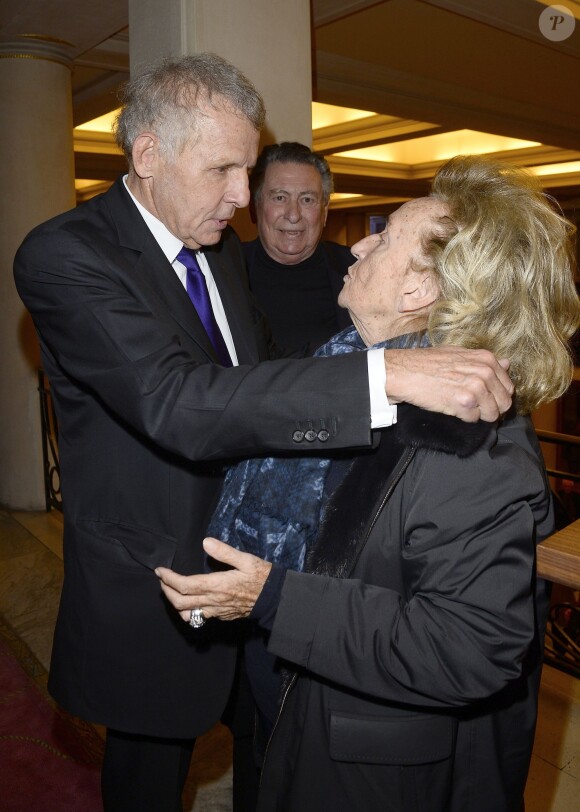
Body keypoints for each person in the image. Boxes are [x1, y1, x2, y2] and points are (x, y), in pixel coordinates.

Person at [13, 51, 512, 811]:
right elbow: (178, 402)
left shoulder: (221, 254)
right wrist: (382, 377)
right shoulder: (64, 254)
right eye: (223, 172)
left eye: (248, 171)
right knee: (147, 780)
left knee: (270, 757)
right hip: (163, 581)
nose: (244, 199)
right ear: (148, 154)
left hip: (269, 575)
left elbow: (257, 375)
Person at [156, 156, 580, 812]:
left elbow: (470, 647)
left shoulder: (469, 437)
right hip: (309, 701)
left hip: (376, 766)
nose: (358, 242)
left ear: (419, 292)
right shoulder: (361, 371)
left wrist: (273, 601)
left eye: (383, 237)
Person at [244, 142, 352, 352]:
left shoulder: (356, 270)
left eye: (307, 199)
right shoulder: (226, 273)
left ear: (325, 211)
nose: (293, 214)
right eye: (279, 197)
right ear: (255, 207)